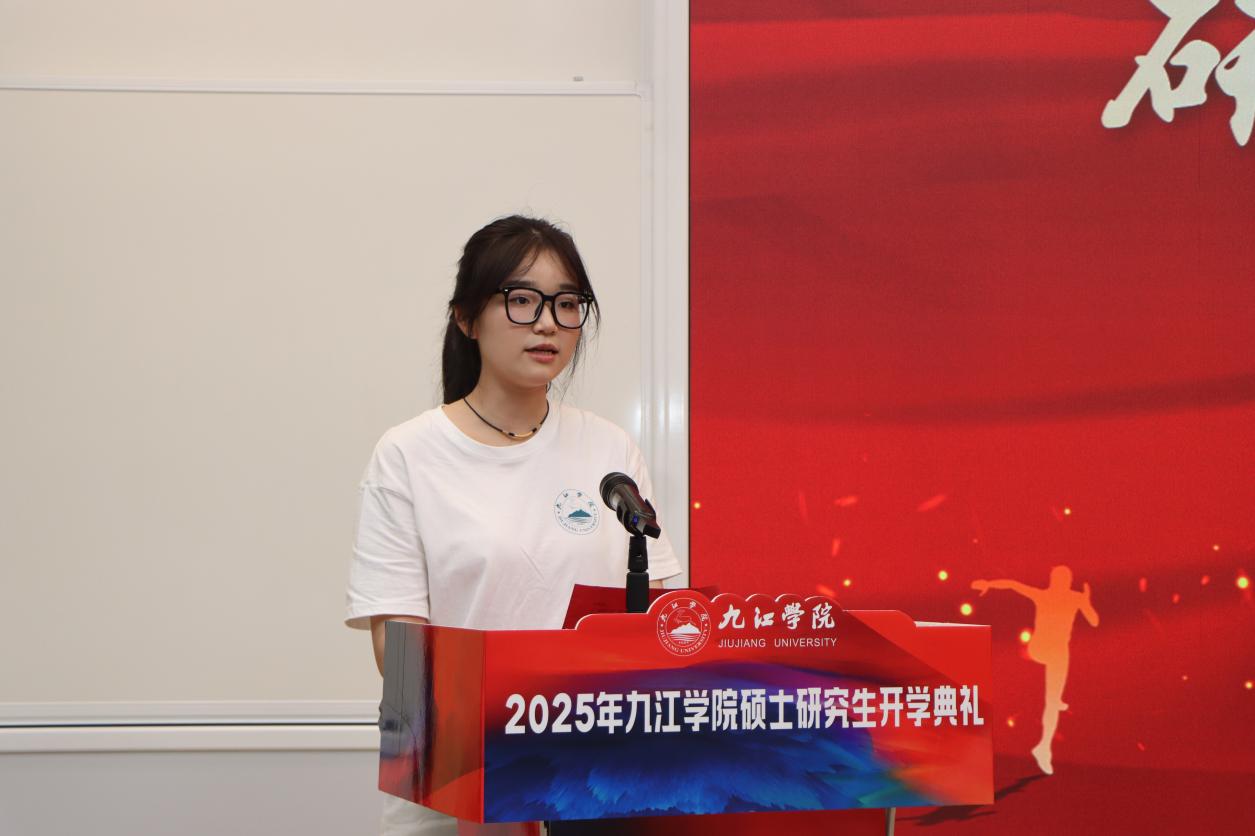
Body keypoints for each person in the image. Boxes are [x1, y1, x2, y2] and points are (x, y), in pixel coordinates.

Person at [344, 215, 683, 835]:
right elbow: (399, 655)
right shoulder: (409, 454)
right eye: (522, 300)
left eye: (567, 303)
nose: (548, 322)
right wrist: (517, 730)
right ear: (467, 318)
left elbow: (657, 620)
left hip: (593, 787)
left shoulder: (609, 450)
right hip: (457, 789)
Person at [970, 565, 1099, 776]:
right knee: (1053, 694)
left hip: (1055, 652)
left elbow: (1094, 621)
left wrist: (1086, 602)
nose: (1059, 584)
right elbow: (1013, 585)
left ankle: (1043, 746)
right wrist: (990, 584)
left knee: (1052, 702)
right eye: (1057, 580)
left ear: (1067, 582)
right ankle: (1054, 703)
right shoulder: (1047, 595)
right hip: (1041, 649)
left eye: (1063, 580)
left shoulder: (1071, 598)